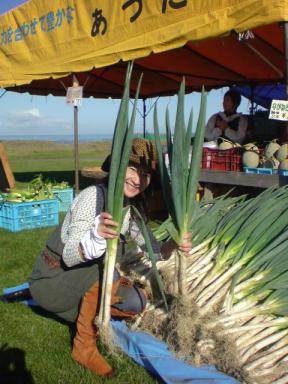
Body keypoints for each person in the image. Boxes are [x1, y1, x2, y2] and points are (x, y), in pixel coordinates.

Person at [0, 138, 192, 378]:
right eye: (132, 169)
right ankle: (83, 345)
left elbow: (154, 252)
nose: (137, 179)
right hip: (53, 278)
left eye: (145, 174)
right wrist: (96, 235)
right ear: (117, 167)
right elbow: (70, 256)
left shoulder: (130, 212)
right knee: (107, 274)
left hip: (81, 280)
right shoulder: (93, 197)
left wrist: (174, 244)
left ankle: (85, 307)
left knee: (136, 303)